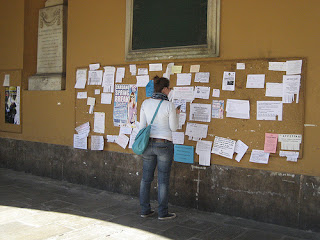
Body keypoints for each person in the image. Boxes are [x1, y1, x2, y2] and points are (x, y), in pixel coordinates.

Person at [139, 75, 179, 220]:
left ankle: (145, 210)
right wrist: (177, 115)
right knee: (163, 180)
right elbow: (174, 127)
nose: (170, 91)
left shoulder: (145, 103)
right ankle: (162, 212)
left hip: (148, 144)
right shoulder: (169, 105)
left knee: (146, 179)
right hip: (164, 144)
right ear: (164, 89)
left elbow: (141, 126)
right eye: (169, 88)